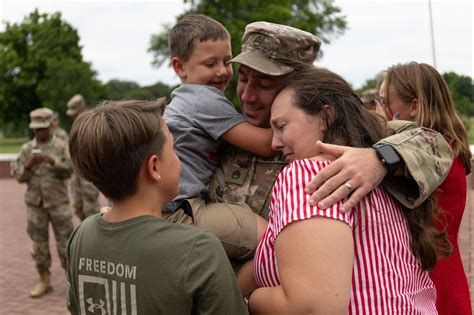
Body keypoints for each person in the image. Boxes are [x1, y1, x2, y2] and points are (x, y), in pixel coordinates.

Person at [248, 67, 451, 314]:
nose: (274, 143)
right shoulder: (386, 174)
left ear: (326, 117)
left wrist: (251, 300)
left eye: (281, 126)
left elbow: (312, 307)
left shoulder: (310, 176)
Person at [208, 21, 453, 222]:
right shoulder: (224, 133)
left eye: (263, 84)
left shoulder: (342, 135)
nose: (247, 96)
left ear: (296, 86)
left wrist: (378, 159)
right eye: (243, 79)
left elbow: (435, 145)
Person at [66, 99, 247, 314]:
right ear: (154, 167)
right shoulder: (198, 249)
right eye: (173, 148)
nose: (178, 159)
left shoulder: (81, 235)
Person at [162, 15, 299, 262]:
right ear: (180, 67)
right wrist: (295, 118)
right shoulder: (204, 100)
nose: (222, 72)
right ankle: (237, 296)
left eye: (227, 62)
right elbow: (269, 144)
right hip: (180, 211)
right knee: (272, 240)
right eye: (210, 64)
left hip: (170, 209)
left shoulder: (183, 99)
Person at [384, 61, 472, 315]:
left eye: (388, 102)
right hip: (442, 277)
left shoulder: (429, 156)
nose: (386, 111)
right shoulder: (445, 149)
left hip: (435, 285)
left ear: (413, 106)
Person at [14, 107, 74, 298]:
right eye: (36, 129)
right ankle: (44, 280)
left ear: (50, 126)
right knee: (39, 245)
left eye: (42, 128)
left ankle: (71, 282)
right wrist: (28, 166)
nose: (39, 132)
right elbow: (19, 177)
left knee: (66, 244)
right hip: (35, 205)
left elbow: (70, 170)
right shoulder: (26, 149)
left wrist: (53, 162)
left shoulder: (61, 145)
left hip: (58, 203)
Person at [66, 94, 100, 220]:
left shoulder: (92, 122)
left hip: (89, 171)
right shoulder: (77, 123)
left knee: (90, 208)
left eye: (75, 111)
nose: (73, 115)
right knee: (78, 206)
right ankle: (86, 231)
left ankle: (95, 233)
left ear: (82, 107)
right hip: (76, 172)